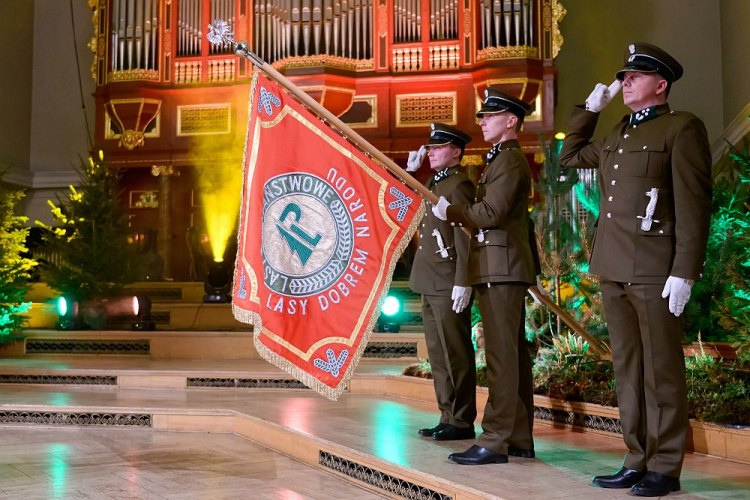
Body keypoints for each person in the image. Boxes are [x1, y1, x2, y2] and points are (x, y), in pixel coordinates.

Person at [559, 43, 712, 497]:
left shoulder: (682, 128)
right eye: (623, 76)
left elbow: (694, 204)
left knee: (661, 370)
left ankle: (664, 466)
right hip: (612, 265)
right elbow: (571, 158)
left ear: (660, 85)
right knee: (628, 368)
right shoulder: (619, 134)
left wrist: (684, 270)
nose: (625, 82)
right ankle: (636, 458)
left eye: (634, 77)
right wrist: (589, 109)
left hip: (653, 269)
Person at [432, 88, 538, 464]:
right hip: (499, 266)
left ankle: (495, 440)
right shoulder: (499, 160)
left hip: (502, 268)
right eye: (482, 116)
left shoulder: (509, 161)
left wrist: (454, 212)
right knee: (511, 357)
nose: (482, 121)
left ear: (511, 121)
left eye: (490, 116)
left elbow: (490, 213)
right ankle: (519, 438)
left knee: (502, 358)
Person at [407, 123, 477, 441]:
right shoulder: (434, 182)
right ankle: (446, 414)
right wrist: (409, 176)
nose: (430, 152)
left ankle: (462, 420)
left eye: (438, 148)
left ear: (456, 153)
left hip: (448, 281)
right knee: (438, 353)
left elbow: (466, 237)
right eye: (430, 148)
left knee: (456, 352)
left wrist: (464, 280)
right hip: (429, 279)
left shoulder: (459, 185)